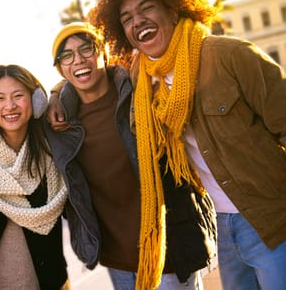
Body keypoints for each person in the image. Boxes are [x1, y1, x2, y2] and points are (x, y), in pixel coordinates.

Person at [87, 0, 286, 290]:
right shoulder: (139, 80)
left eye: (146, 8)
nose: (138, 21)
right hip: (224, 225)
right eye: (127, 19)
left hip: (273, 217)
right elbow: (89, 81)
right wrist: (54, 98)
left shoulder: (229, 55)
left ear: (173, 9)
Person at [45, 21, 216, 290]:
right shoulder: (59, 123)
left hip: (168, 248)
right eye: (66, 55)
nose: (78, 60)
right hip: (118, 260)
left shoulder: (140, 89)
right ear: (59, 68)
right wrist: (56, 94)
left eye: (87, 49)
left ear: (103, 53)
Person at [0, 64, 69, 289]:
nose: (10, 106)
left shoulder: (51, 149)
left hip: (48, 280)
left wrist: (57, 93)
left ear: (37, 100)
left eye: (19, 96)